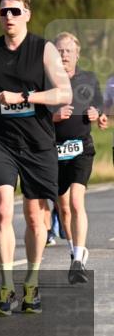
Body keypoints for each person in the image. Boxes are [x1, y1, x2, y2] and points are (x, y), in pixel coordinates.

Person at [0, 0, 72, 316]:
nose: (9, 16)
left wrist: (24, 96)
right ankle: (6, 286)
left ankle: (32, 282)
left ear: (27, 14)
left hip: (38, 142)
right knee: (1, 209)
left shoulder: (44, 49)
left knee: (35, 218)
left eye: (15, 11)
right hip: (0, 141)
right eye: (3, 12)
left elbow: (64, 91)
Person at [51, 33, 107, 284]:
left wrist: (99, 114)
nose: (64, 55)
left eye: (68, 51)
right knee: (63, 207)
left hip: (81, 147)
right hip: (54, 148)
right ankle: (74, 248)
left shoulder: (88, 79)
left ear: (77, 54)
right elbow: (37, 113)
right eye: (60, 51)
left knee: (75, 200)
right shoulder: (47, 79)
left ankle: (77, 260)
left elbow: (98, 106)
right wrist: (54, 116)